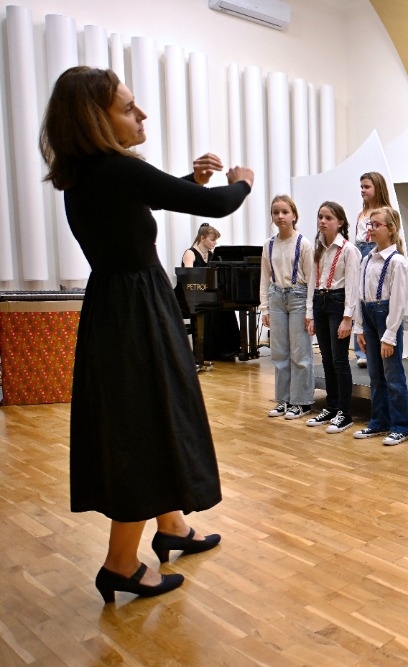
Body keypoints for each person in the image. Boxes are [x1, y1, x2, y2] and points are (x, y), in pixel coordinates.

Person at [40, 65, 252, 601]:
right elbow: (217, 206)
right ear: (95, 118)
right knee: (146, 424)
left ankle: (172, 525)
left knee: (154, 415)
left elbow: (151, 197)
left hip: (119, 306)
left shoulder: (89, 173)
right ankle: (120, 563)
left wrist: (191, 179)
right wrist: (242, 180)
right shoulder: (115, 169)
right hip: (136, 312)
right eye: (127, 107)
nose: (141, 114)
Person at [353, 207, 408, 445]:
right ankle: (379, 420)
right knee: (375, 374)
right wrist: (359, 327)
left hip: (386, 318)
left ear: (391, 229)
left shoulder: (397, 261)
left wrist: (390, 335)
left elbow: (398, 302)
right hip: (369, 317)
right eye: (370, 224)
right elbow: (360, 294)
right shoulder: (366, 259)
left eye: (376, 224)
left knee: (393, 374)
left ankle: (401, 425)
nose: (371, 229)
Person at [305, 201, 360, 434]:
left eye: (328, 218)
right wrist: (310, 313)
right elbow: (312, 281)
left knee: (339, 359)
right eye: (320, 217)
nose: (323, 221)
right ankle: (332, 405)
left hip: (338, 302)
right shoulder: (317, 248)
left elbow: (353, 286)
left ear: (340, 222)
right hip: (320, 301)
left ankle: (345, 413)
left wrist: (348, 317)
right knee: (326, 359)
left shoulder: (348, 249)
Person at [261, 195, 315, 420]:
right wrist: (264, 307)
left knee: (300, 353)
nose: (280, 216)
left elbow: (311, 279)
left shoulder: (303, 243)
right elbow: (264, 278)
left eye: (285, 212)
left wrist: (310, 311)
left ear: (294, 215)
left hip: (298, 297)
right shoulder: (268, 245)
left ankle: (301, 402)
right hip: (276, 297)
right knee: (279, 352)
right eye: (276, 212)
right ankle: (283, 399)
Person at [178, 223, 240, 362]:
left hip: (207, 294)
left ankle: (227, 349)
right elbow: (188, 277)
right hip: (191, 296)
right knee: (211, 309)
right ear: (202, 238)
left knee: (226, 308)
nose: (215, 243)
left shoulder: (211, 255)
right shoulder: (190, 253)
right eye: (212, 239)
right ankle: (209, 351)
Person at [352, 171, 393, 368]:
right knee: (359, 298)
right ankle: (361, 350)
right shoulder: (361, 213)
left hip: (375, 249)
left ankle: (378, 346)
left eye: (367, 187)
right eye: (361, 187)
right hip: (360, 251)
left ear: (378, 188)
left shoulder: (385, 211)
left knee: (375, 299)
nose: (363, 190)